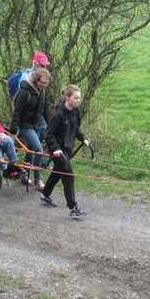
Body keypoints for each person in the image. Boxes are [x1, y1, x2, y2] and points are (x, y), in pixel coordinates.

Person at [39, 85, 90, 219]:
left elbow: (75, 129)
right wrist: (55, 148)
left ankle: (45, 195)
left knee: (57, 173)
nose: (78, 100)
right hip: (58, 151)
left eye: (79, 98)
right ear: (67, 97)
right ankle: (73, 208)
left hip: (68, 148)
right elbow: (48, 134)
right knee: (68, 176)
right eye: (75, 98)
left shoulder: (75, 111)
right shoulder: (59, 114)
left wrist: (83, 139)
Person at [9, 68, 52, 191]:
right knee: (38, 150)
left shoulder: (42, 91)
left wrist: (51, 125)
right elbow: (17, 112)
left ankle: (24, 174)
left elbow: (46, 109)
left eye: (46, 83)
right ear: (36, 80)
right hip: (25, 125)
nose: (44, 86)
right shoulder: (24, 92)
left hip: (36, 124)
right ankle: (38, 178)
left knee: (31, 150)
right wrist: (13, 130)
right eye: (42, 83)